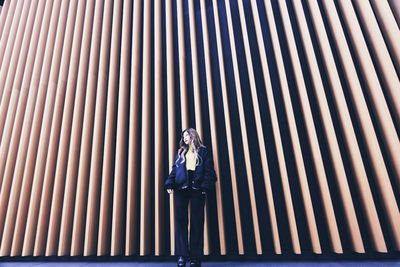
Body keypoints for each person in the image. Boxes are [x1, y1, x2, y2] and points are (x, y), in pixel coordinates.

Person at [165, 128, 217, 267]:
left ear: (193, 136)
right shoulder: (181, 151)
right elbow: (175, 169)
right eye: (183, 136)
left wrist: (205, 186)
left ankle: (195, 258)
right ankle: (182, 256)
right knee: (181, 223)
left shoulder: (203, 151)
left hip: (197, 189)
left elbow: (209, 170)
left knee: (197, 223)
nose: (184, 138)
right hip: (181, 188)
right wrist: (170, 183)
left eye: (187, 135)